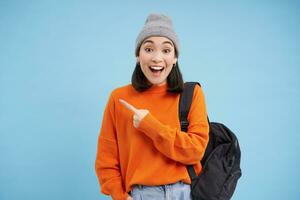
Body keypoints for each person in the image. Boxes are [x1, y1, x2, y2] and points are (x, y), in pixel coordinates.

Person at [95, 13, 209, 200]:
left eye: (166, 50)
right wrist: (120, 196)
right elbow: (106, 159)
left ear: (175, 58)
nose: (157, 58)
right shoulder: (119, 98)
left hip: (186, 193)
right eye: (148, 49)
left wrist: (150, 125)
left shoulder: (191, 94)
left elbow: (195, 151)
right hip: (141, 194)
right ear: (138, 56)